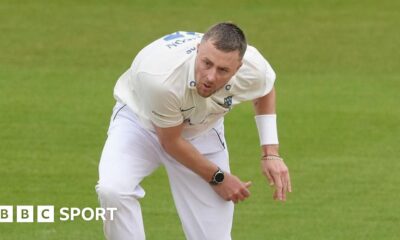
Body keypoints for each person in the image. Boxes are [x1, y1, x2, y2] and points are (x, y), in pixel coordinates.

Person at [95, 22, 291, 240]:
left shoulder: (254, 68)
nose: (210, 77)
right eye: (207, 63)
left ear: (238, 68)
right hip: (139, 122)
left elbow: (264, 90)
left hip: (202, 129)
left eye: (223, 70)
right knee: (113, 190)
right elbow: (171, 142)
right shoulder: (160, 78)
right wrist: (219, 178)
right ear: (198, 50)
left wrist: (270, 153)